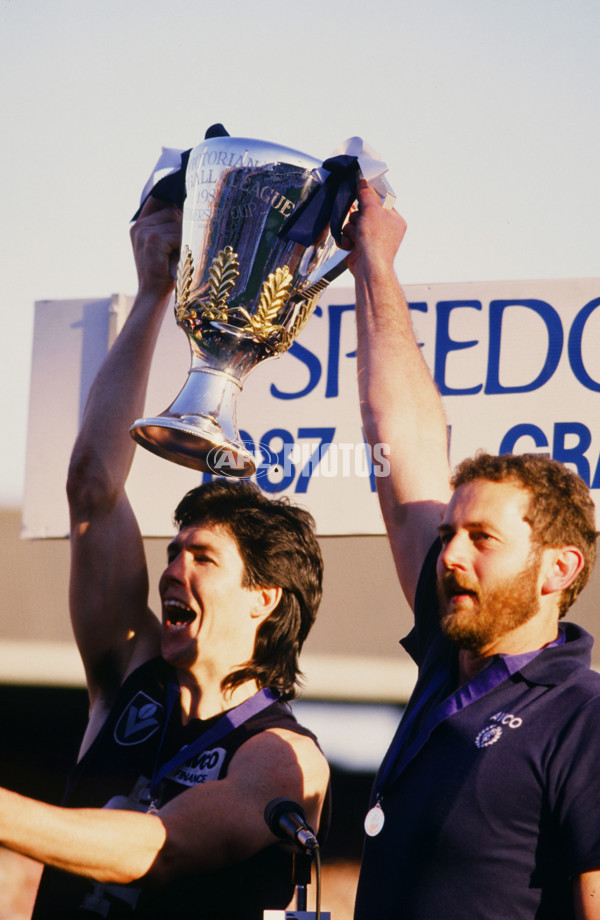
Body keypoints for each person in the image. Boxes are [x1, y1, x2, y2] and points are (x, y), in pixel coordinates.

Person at [0, 199, 330, 920]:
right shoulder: (132, 674)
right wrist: (152, 293)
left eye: (203, 557)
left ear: (263, 597)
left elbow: (162, 847)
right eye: (175, 550)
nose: (173, 569)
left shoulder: (283, 755)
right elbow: (92, 485)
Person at [341, 180, 600, 920]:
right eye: (449, 532)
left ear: (559, 568)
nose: (450, 554)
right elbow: (401, 439)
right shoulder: (444, 662)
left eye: (483, 539)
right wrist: (373, 265)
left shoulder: (584, 717)